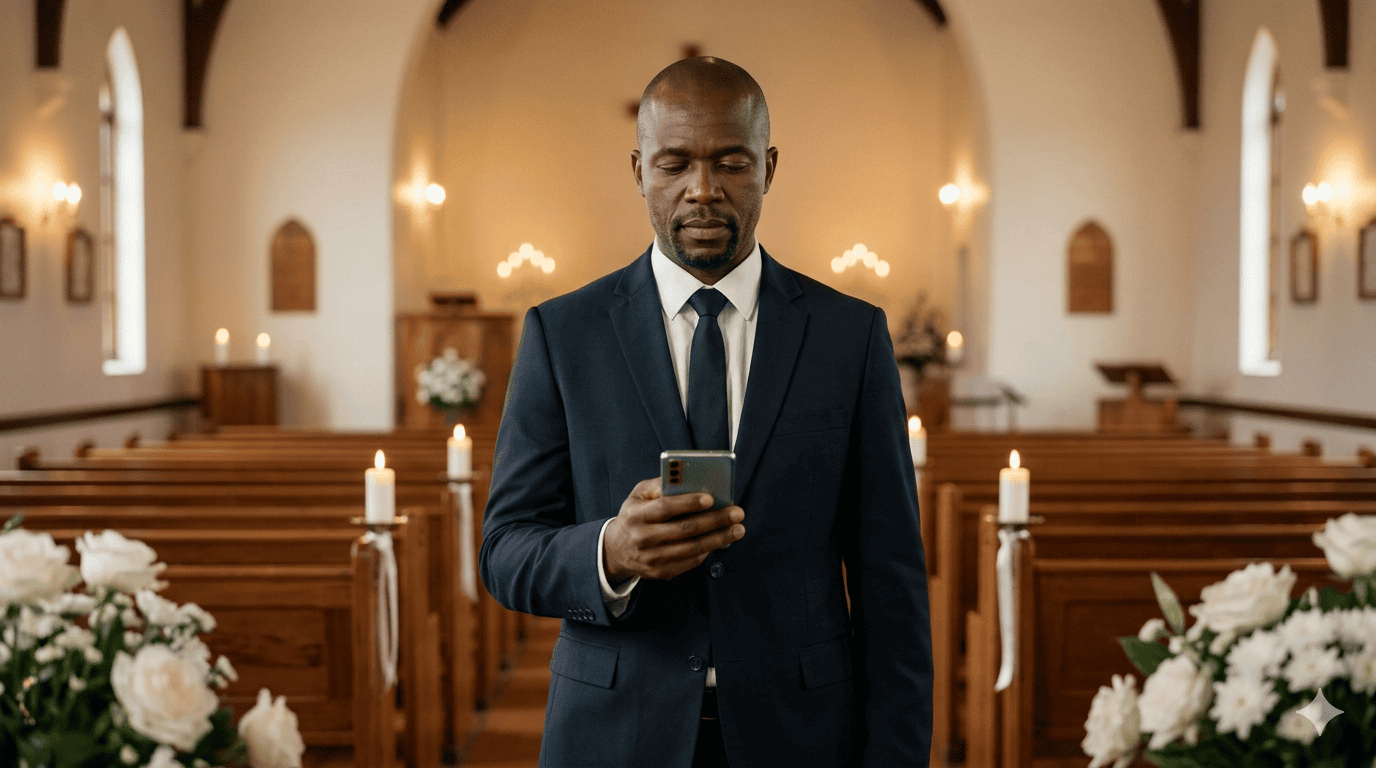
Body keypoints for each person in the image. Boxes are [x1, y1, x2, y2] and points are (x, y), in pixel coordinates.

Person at [480, 56, 932, 768]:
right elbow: (504, 552)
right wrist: (610, 553)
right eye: (674, 164)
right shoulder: (562, 334)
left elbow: (892, 584)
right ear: (638, 170)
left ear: (769, 165)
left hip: (801, 732)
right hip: (614, 731)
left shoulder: (850, 336)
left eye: (730, 162)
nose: (703, 191)